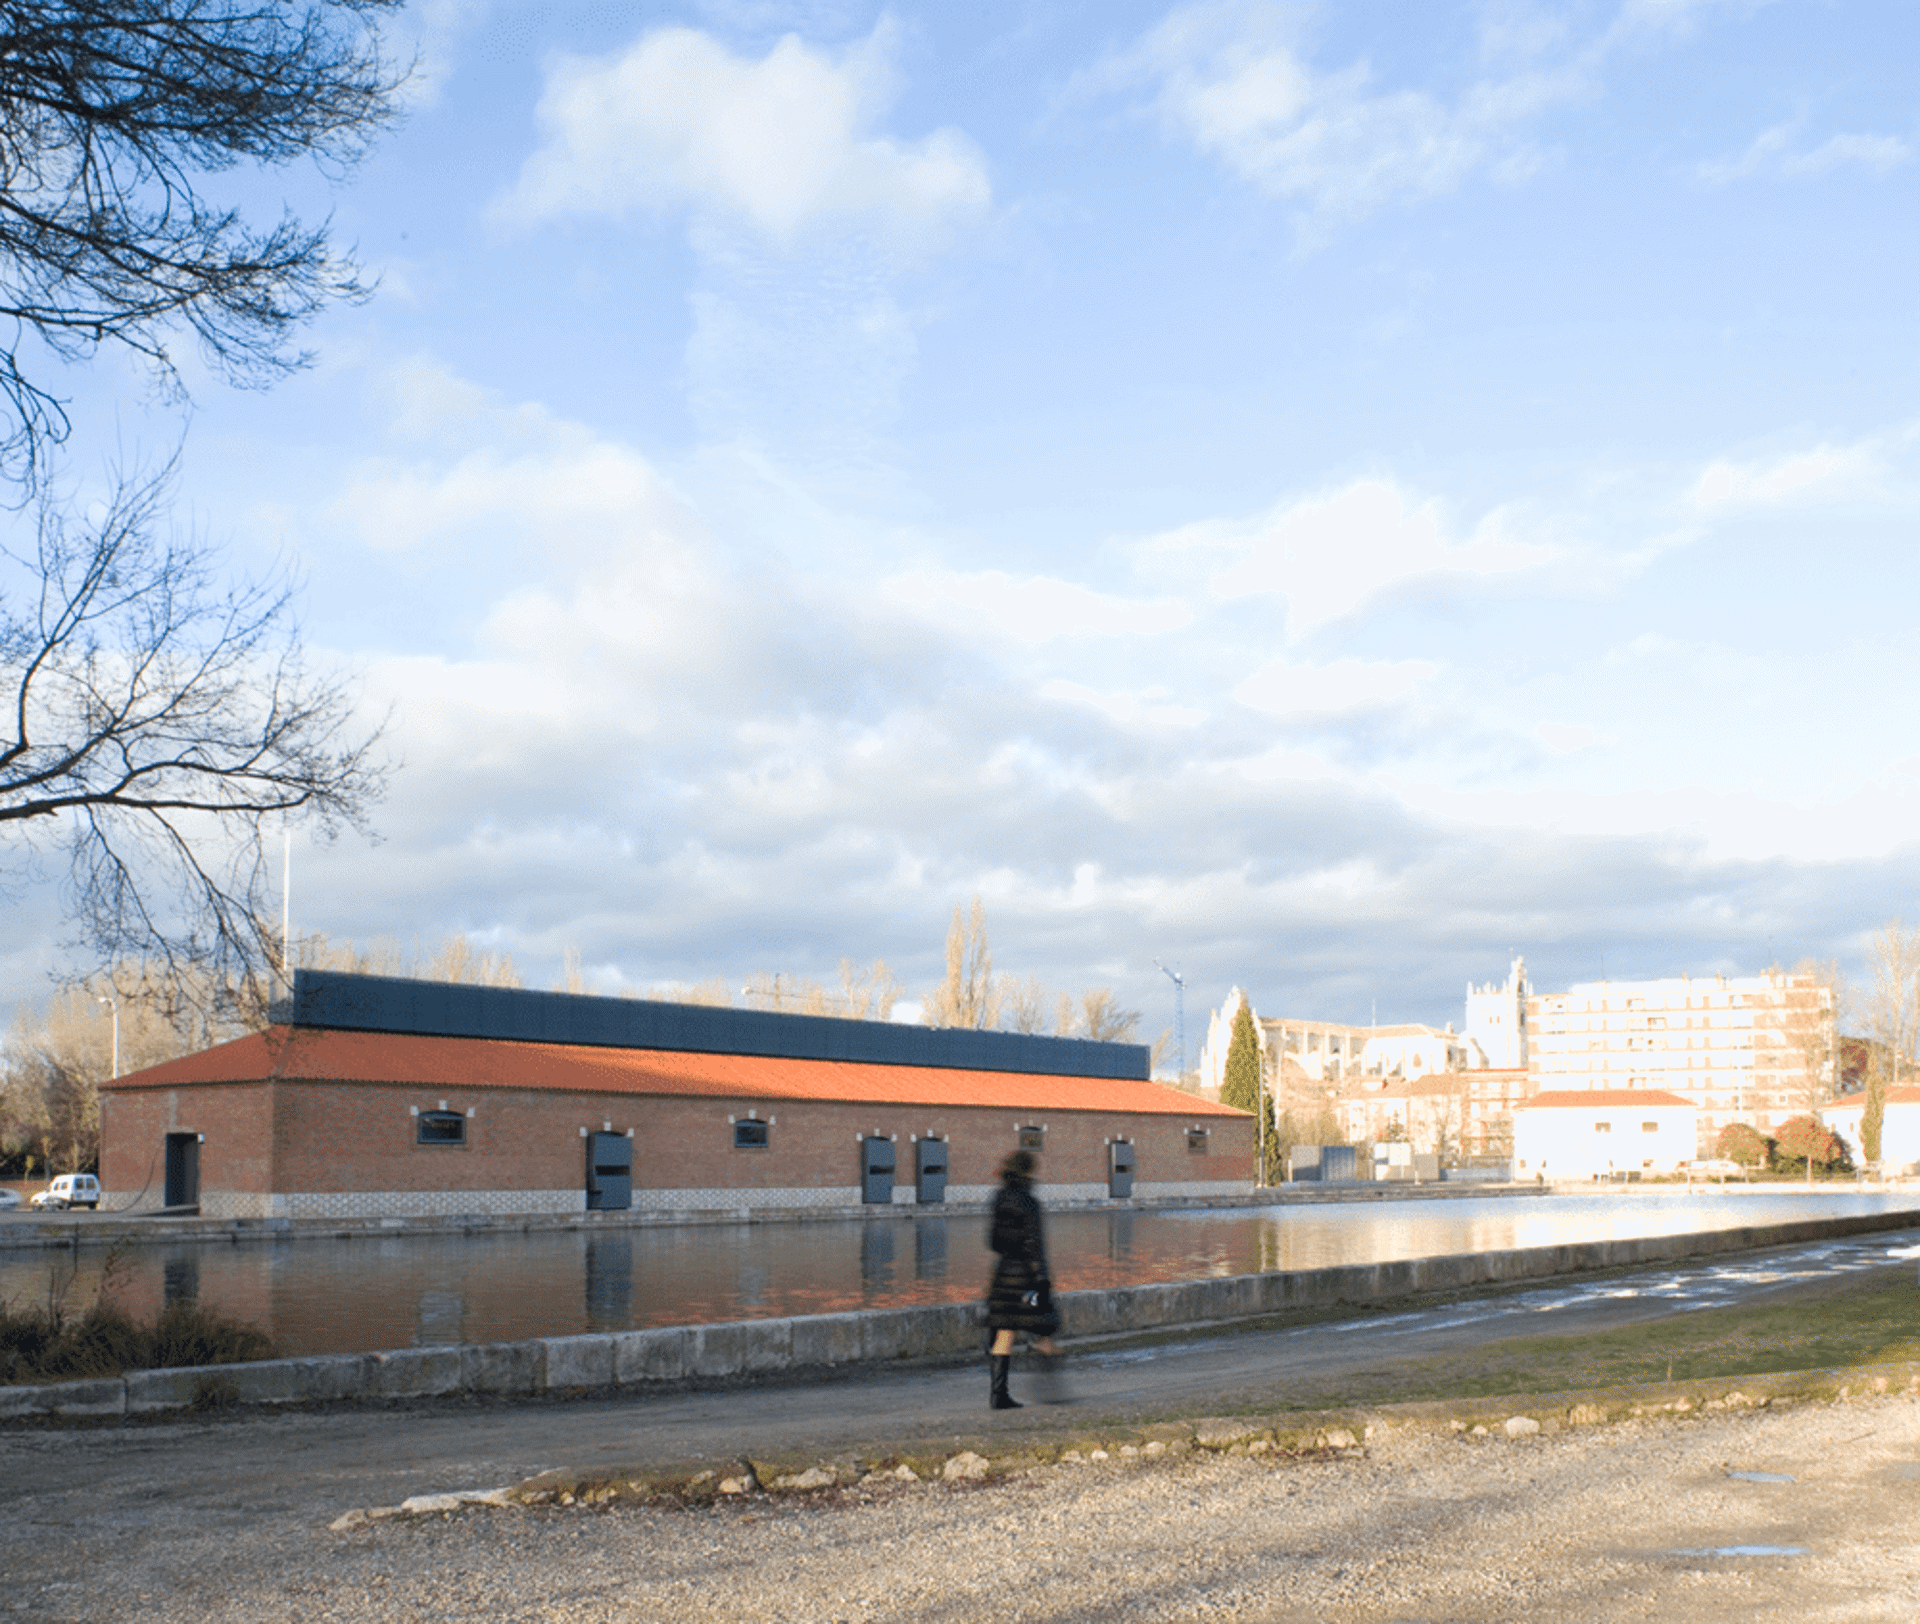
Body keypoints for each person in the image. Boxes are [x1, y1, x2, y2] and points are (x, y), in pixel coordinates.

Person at [983, 1148, 1059, 1409]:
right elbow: (1036, 1246)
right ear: (1029, 1172)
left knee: (1004, 1333)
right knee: (1043, 1325)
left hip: (1003, 1276)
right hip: (1026, 1279)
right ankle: (1051, 1387)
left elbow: (992, 1241)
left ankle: (998, 1395)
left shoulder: (998, 1199)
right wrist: (1042, 1279)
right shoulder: (1030, 1202)